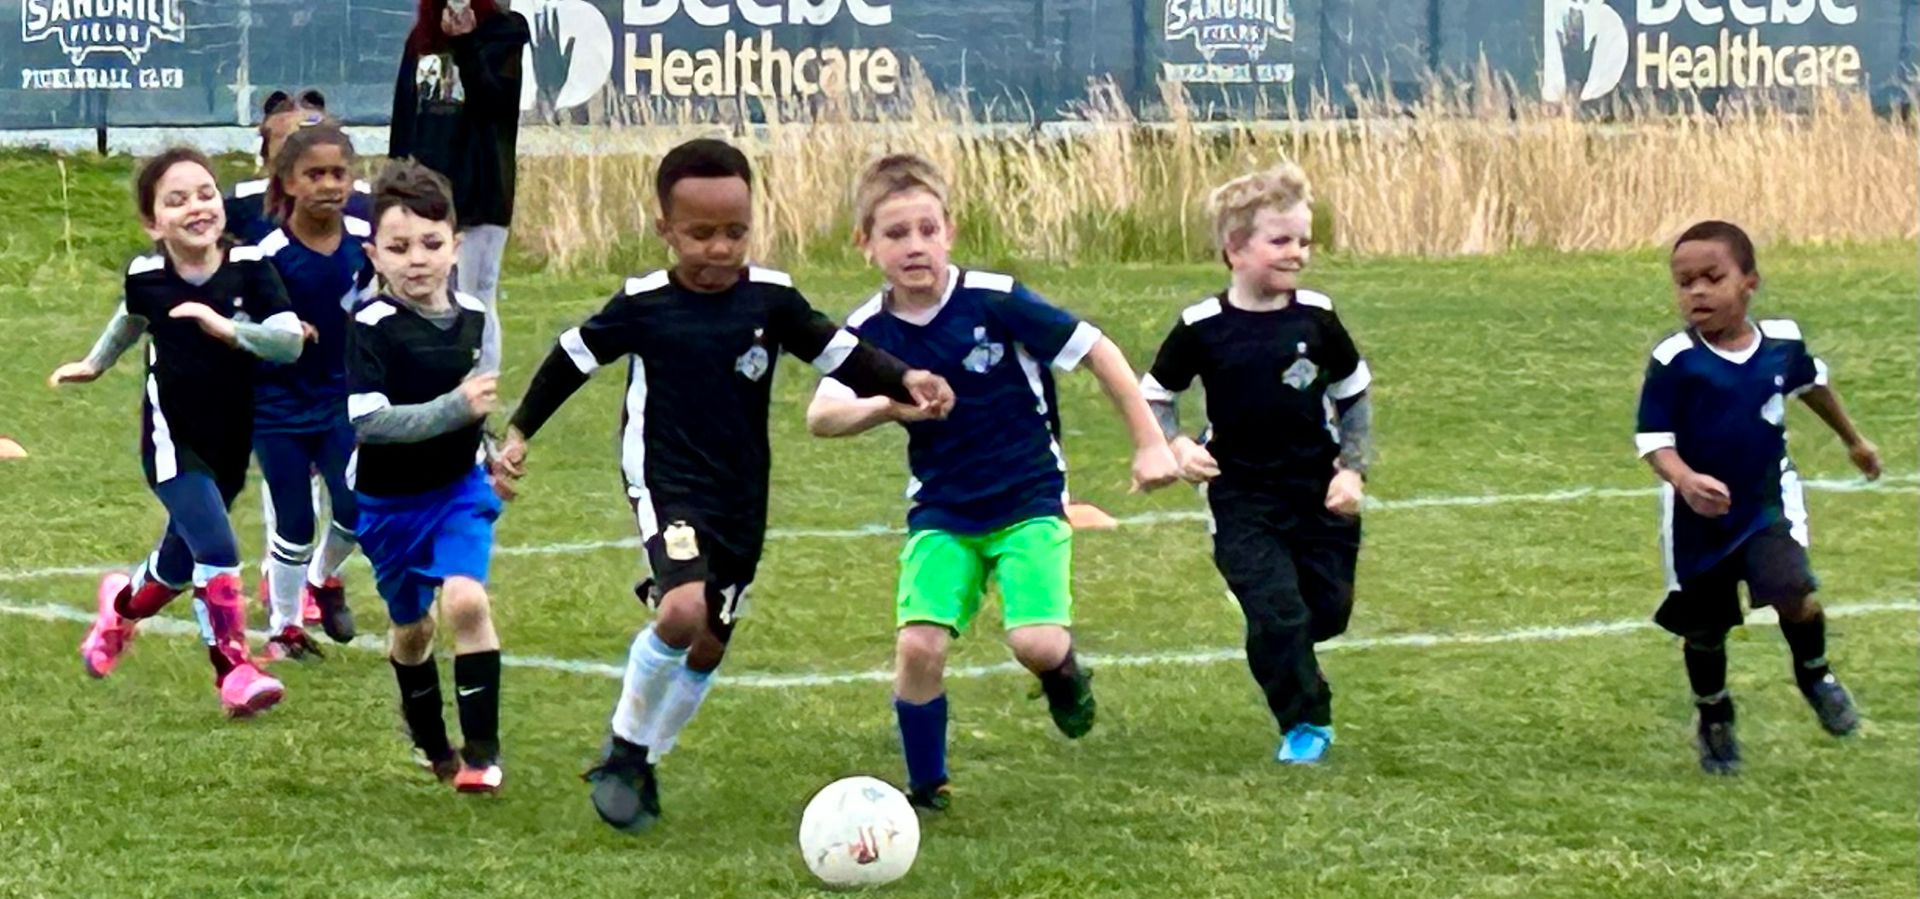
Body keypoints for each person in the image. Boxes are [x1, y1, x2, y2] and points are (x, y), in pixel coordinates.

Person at [494, 138, 954, 833]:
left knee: (709, 642)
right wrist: (521, 429)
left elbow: (841, 352)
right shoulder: (644, 303)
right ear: (666, 231)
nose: (718, 248)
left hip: (742, 490)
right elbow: (570, 358)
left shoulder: (771, 298)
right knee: (681, 612)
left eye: (734, 232)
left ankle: (646, 755)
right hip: (666, 478)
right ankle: (623, 746)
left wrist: (904, 378)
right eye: (700, 234)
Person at [805, 153, 1179, 811]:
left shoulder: (995, 300)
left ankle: (1061, 673)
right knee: (918, 644)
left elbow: (1097, 349)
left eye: (927, 228)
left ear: (949, 229)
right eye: (896, 234)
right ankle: (926, 787)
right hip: (942, 509)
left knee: (1034, 641)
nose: (915, 245)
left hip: (1029, 497)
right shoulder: (869, 331)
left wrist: (1150, 441)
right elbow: (822, 415)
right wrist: (888, 405)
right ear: (866, 244)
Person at [51, 148, 304, 717]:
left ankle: (119, 610)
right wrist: (95, 363)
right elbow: (132, 316)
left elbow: (288, 343)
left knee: (178, 565)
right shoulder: (147, 274)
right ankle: (234, 669)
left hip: (232, 438)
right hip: (172, 438)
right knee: (217, 546)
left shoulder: (253, 265)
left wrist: (230, 330)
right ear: (153, 222)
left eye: (206, 193)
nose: (197, 206)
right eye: (177, 199)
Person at [1140, 164, 1374, 765]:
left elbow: (1353, 394)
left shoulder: (1318, 319)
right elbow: (1154, 395)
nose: (1297, 253)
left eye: (1303, 240)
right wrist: (1179, 445)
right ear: (1235, 250)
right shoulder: (1202, 328)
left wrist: (1352, 469)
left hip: (1317, 491)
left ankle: (1279, 629)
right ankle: (1305, 721)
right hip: (1240, 494)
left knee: (1326, 613)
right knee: (1279, 612)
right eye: (1281, 240)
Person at [1633, 220, 1880, 775]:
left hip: (1768, 503)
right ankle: (1714, 716)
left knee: (1795, 589)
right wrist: (1684, 480)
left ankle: (1815, 673)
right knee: (1703, 626)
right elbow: (1653, 441)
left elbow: (1812, 385)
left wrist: (1854, 440)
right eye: (1684, 282)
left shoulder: (1782, 344)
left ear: (1749, 283)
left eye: (1711, 278)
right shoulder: (1675, 359)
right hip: (1698, 519)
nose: (1696, 291)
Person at [347, 159, 509, 793]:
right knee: (412, 629)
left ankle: (483, 753)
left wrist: (490, 452)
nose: (417, 259)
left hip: (457, 492)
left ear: (456, 246)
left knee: (467, 600)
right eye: (399, 247)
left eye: (432, 244)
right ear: (375, 255)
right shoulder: (369, 327)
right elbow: (368, 422)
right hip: (388, 503)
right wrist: (454, 410)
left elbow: (471, 407)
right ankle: (430, 738)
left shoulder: (472, 316)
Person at [252, 123, 377, 653]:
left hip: (339, 401)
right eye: (315, 174)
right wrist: (276, 335)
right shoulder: (268, 254)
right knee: (295, 521)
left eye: (338, 173)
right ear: (289, 181)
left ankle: (323, 578)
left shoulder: (363, 247)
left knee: (357, 508)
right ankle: (284, 628)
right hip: (276, 407)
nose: (328, 184)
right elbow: (245, 329)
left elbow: (375, 314)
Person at [388, 0, 529, 370]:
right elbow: (405, 116)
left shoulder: (505, 31)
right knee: (422, 295)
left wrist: (467, 44)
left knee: (474, 297)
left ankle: (478, 403)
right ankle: (433, 391)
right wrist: (394, 182)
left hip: (480, 192)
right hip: (424, 192)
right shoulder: (420, 40)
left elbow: (497, 104)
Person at [228, 89, 372, 246]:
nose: (304, 148)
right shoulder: (241, 205)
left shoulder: (368, 207)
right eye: (289, 139)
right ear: (265, 152)